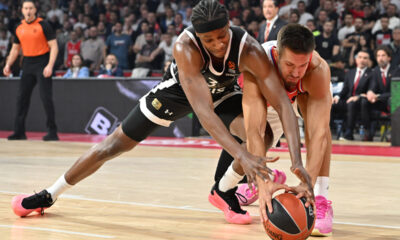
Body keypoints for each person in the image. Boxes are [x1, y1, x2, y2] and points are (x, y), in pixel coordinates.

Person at [11, 0, 312, 226]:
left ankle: (223, 191)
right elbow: (203, 113)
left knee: (263, 133)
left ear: (229, 27)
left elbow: (284, 103)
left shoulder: (248, 47)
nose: (219, 44)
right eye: (210, 40)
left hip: (222, 94)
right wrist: (242, 155)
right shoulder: (186, 47)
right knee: (111, 147)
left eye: (222, 36)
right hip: (176, 94)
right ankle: (49, 194)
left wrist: (297, 160)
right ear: (198, 36)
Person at [216, 23, 332, 236]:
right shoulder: (257, 64)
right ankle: (257, 184)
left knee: (322, 129)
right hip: (271, 94)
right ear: (278, 55)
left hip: (303, 96)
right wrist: (263, 182)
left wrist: (309, 182)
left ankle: (321, 196)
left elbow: (317, 135)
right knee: (264, 136)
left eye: (302, 65)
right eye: (290, 64)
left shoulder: (317, 70)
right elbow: (254, 131)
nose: (296, 72)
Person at [3, 0, 59, 141]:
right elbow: (15, 49)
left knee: (46, 98)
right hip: (27, 63)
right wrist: (8, 65)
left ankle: (52, 132)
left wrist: (50, 65)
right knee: (21, 98)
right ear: (22, 10)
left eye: (30, 8)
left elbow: (54, 46)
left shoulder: (43, 25)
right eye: (26, 8)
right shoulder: (19, 27)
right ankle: (19, 132)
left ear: (35, 10)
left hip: (42, 62)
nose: (28, 11)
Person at [332, 50, 372, 141]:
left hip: (361, 102)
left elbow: (371, 90)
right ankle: (326, 131)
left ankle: (348, 133)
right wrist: (337, 96)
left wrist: (357, 97)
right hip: (347, 99)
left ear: (368, 61)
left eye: (365, 58)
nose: (362, 60)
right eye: (360, 57)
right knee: (331, 103)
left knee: (351, 104)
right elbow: (345, 89)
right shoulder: (350, 72)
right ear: (356, 59)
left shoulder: (371, 73)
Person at [364, 46, 394, 140]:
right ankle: (368, 132)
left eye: (383, 55)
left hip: (392, 100)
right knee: (364, 102)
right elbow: (373, 86)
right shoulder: (376, 70)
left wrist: (378, 96)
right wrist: (370, 92)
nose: (380, 58)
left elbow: (395, 92)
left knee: (392, 100)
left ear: (389, 58)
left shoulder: (396, 70)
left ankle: (393, 133)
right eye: (378, 56)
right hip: (380, 101)